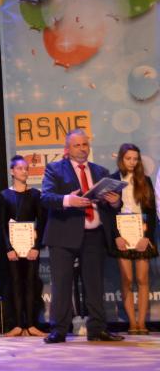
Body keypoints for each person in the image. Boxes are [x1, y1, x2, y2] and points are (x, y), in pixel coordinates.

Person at [42, 129, 124, 343]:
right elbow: (46, 198)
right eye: (77, 145)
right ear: (67, 149)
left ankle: (97, 329)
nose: (82, 149)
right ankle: (59, 329)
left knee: (94, 284)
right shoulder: (54, 169)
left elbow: (113, 207)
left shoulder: (100, 171)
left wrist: (115, 201)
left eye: (84, 144)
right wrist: (68, 200)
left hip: (94, 235)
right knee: (62, 283)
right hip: (63, 234)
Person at [109, 144, 157, 335]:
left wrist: (147, 237)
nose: (132, 162)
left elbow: (151, 212)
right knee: (127, 279)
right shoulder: (112, 180)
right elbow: (108, 213)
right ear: (121, 159)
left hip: (141, 234)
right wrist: (116, 236)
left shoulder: (145, 180)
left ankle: (142, 323)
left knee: (142, 278)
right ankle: (132, 323)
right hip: (122, 235)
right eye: (128, 158)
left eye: (135, 159)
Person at [0, 155, 46, 337]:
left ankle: (31, 324)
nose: (24, 171)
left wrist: (36, 247)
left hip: (30, 248)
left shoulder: (35, 195)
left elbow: (41, 222)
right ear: (12, 171)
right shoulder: (5, 196)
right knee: (15, 284)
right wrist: (8, 249)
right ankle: (18, 324)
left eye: (26, 168)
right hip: (13, 249)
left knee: (31, 284)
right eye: (20, 168)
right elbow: (1, 225)